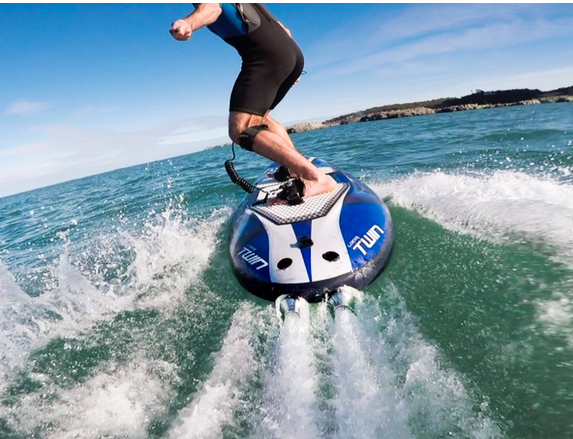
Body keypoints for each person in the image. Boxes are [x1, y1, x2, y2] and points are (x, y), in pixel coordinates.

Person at [170, 3, 337, 200]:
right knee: (261, 118)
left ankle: (315, 178)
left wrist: (188, 22)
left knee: (240, 128)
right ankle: (292, 170)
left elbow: (212, 8)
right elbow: (284, 29)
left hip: (266, 56)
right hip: (291, 54)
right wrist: (289, 64)